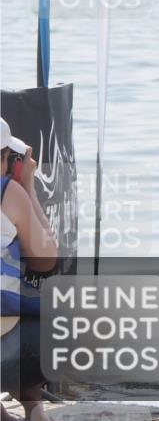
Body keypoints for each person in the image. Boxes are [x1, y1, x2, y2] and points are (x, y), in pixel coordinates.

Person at [1, 119, 57, 421]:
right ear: (6, 159)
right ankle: (34, 406)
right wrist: (28, 187)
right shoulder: (8, 192)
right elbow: (46, 259)